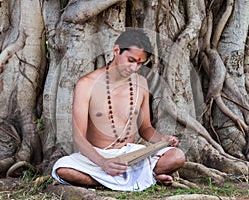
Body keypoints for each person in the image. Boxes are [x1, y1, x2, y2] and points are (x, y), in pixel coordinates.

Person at [52, 28, 185, 191]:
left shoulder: (141, 83)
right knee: (63, 169)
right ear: (116, 50)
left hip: (131, 156)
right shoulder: (86, 84)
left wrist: (162, 139)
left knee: (177, 156)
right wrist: (104, 163)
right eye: (131, 60)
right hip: (98, 157)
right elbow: (79, 138)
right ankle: (142, 179)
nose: (134, 68)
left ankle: (126, 179)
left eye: (139, 63)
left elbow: (146, 129)